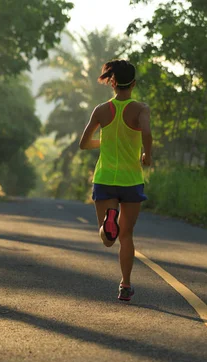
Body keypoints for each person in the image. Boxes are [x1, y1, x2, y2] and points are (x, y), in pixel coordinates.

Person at [78, 59, 153, 302]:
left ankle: (108, 223)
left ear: (112, 82)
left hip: (105, 179)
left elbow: (84, 143)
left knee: (108, 239)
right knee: (127, 235)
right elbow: (147, 133)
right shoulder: (141, 109)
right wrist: (147, 155)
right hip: (131, 180)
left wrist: (106, 141)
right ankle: (125, 285)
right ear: (133, 83)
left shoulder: (101, 110)